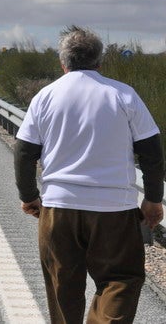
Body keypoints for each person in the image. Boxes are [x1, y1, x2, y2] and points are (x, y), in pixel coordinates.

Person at [14, 25, 164, 324]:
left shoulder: (45, 96)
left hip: (59, 207)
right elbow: (151, 152)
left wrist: (29, 196)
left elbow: (24, 152)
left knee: (62, 283)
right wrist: (153, 199)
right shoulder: (124, 95)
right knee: (121, 278)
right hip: (114, 209)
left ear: (63, 62)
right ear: (100, 60)